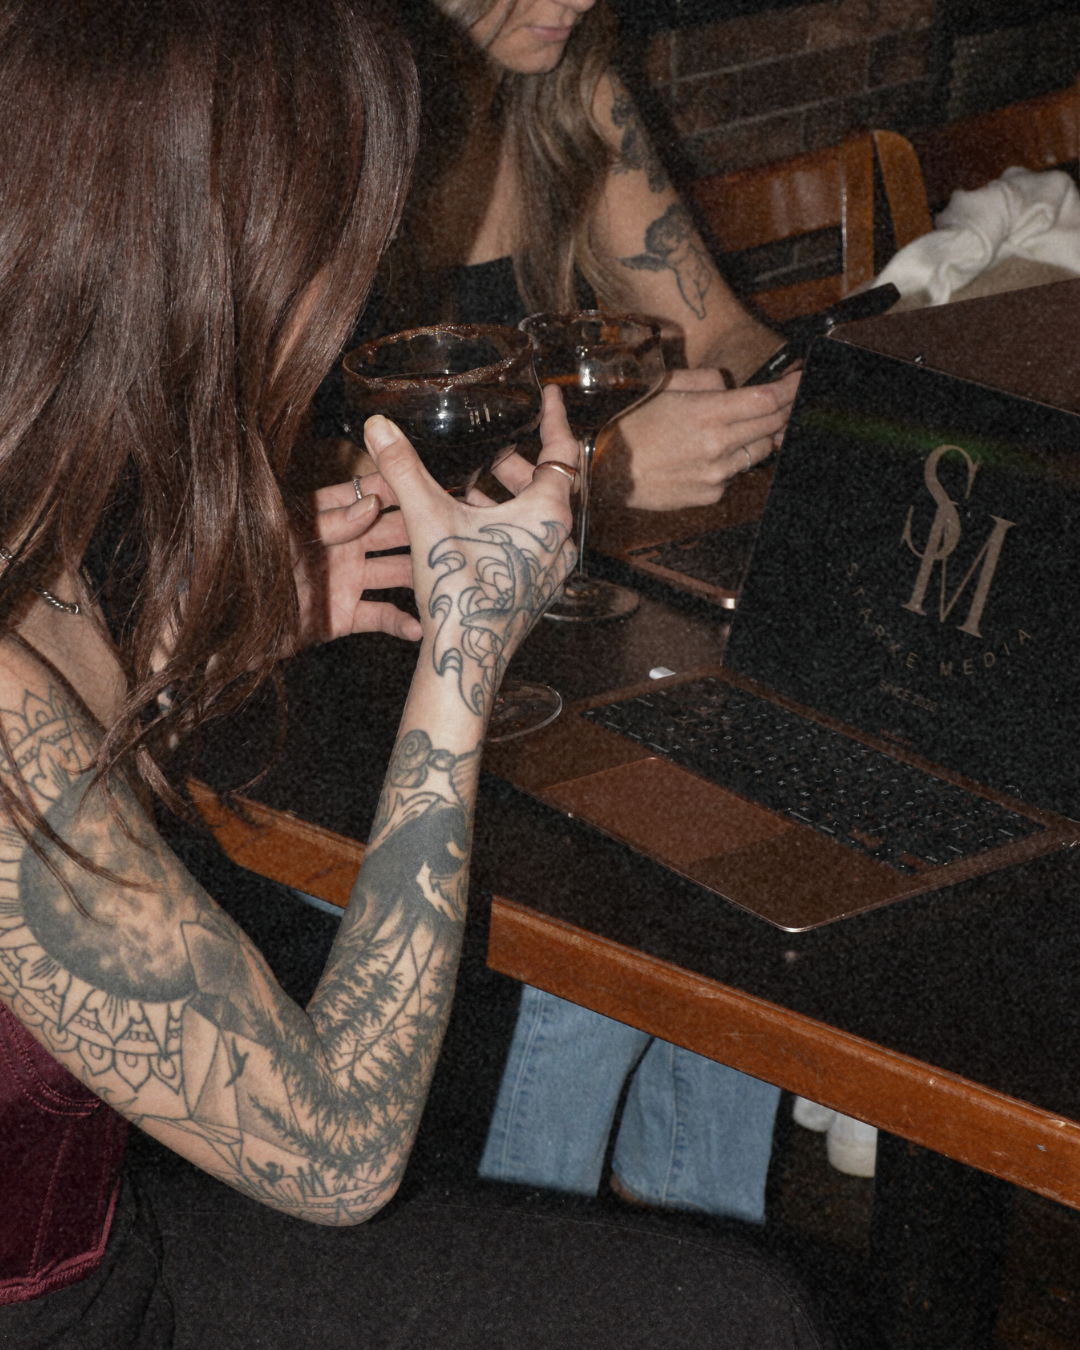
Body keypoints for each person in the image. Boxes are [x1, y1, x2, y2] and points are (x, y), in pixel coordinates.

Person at [0, 2, 838, 1348]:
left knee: (737, 1307)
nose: (327, 315)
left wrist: (195, 645)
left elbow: (67, 792)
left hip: (113, 1247)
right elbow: (334, 1152)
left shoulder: (31, 514)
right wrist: (463, 653)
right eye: (325, 267)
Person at [309, 0, 790, 1222]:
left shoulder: (577, 96)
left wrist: (753, 383)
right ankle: (529, 1255)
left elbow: (719, 324)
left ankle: (700, 1254)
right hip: (339, 666)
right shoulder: (312, 114)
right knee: (615, 920)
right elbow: (255, 491)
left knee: (731, 826)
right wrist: (605, 480)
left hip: (543, 640)